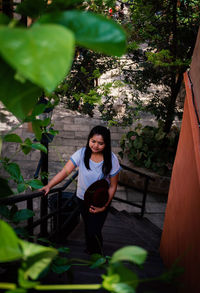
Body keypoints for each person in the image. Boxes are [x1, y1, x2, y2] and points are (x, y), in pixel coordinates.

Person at [40, 125, 121, 254]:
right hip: (82, 198)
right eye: (93, 141)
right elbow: (65, 171)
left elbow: (113, 186)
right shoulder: (82, 153)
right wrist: (50, 185)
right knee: (88, 226)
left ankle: (97, 253)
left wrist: (104, 206)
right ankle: (90, 249)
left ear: (106, 144)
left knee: (95, 230)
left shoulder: (112, 159)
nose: (95, 146)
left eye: (100, 143)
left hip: (100, 200)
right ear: (89, 139)